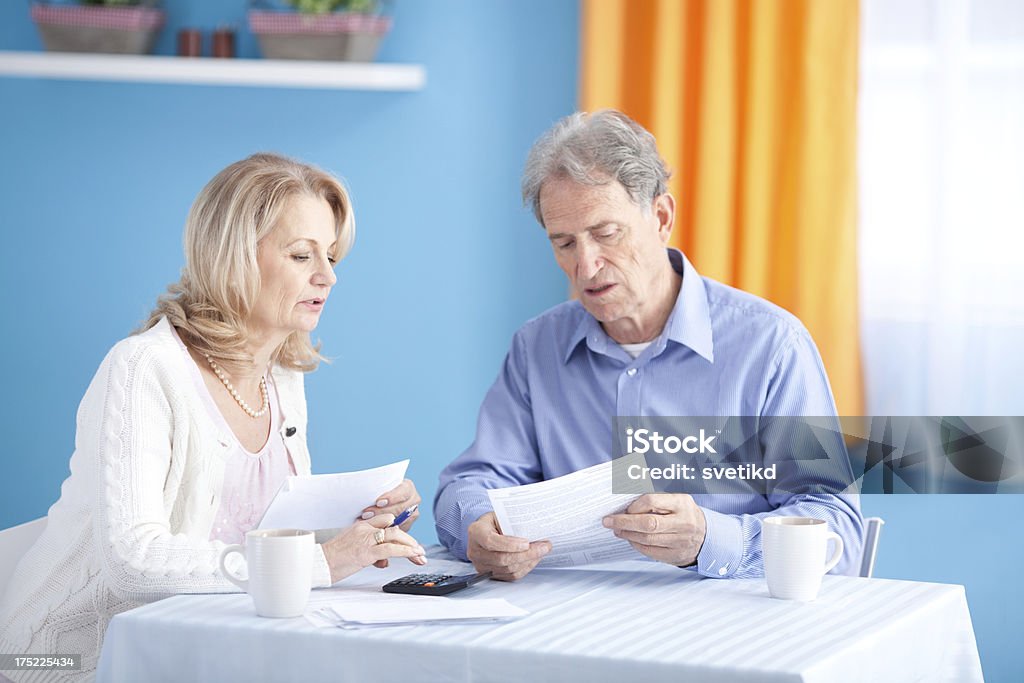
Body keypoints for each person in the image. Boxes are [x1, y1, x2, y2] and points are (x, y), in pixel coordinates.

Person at [0, 154, 425, 683]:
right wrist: (324, 562)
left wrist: (361, 528)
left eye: (332, 256)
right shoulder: (143, 369)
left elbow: (258, 537)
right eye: (301, 255)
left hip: (197, 652)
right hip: (65, 661)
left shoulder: (282, 377)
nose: (329, 277)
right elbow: (134, 563)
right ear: (235, 257)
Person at [434, 110, 864, 581]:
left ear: (661, 217)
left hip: (730, 628)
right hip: (569, 624)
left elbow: (836, 527)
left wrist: (709, 538)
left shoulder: (772, 345)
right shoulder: (537, 347)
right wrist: (476, 524)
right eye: (564, 243)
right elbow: (472, 482)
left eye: (606, 234)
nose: (586, 265)